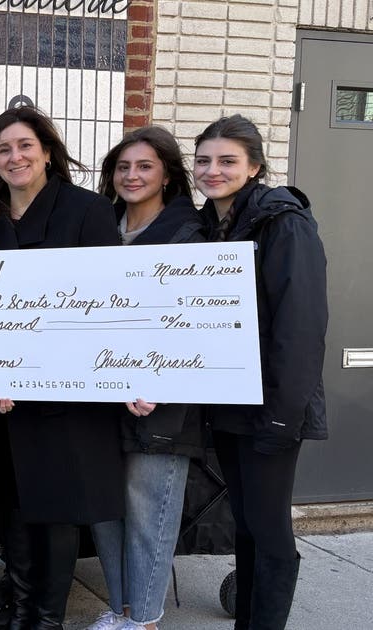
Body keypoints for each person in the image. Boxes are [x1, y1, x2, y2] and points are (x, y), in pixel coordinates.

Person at [0, 105, 124, 629]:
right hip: (0, 401)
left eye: (25, 145)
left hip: (64, 400)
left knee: (56, 508)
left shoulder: (89, 211)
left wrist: (27, 375)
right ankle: (22, 611)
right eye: (3, 149)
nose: (15, 156)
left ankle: (47, 620)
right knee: (12, 506)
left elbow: (103, 302)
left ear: (47, 151)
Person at [194, 114, 327, 630]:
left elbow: (301, 325)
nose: (213, 170)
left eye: (227, 161)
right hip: (228, 400)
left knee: (270, 532)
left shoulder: (283, 222)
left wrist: (282, 416)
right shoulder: (210, 225)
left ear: (254, 167)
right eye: (204, 160)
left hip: (272, 406)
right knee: (246, 526)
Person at [84, 126, 208, 630]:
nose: (132, 176)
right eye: (123, 167)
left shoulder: (190, 234)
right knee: (104, 507)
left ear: (167, 175)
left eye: (145, 167)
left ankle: (147, 619)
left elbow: (201, 321)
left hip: (162, 402)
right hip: (95, 396)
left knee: (148, 513)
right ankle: (122, 610)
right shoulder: (99, 226)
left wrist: (159, 379)